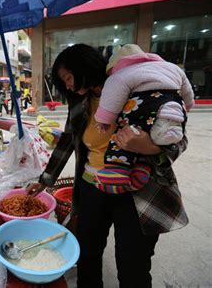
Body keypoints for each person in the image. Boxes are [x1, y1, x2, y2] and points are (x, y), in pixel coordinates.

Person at [26, 44, 189, 288]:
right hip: (92, 189)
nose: (68, 86)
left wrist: (150, 147)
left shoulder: (138, 90)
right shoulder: (80, 103)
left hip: (138, 193)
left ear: (84, 67)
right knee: (88, 255)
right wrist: (45, 179)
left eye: (68, 78)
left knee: (133, 265)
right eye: (64, 82)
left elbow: (178, 138)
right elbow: (67, 143)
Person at [94, 44, 194, 192]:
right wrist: (188, 105)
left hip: (144, 108)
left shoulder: (121, 75)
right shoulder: (173, 68)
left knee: (122, 137)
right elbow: (188, 92)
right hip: (171, 110)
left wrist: (104, 120)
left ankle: (116, 173)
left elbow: (110, 101)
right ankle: (142, 168)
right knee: (142, 135)